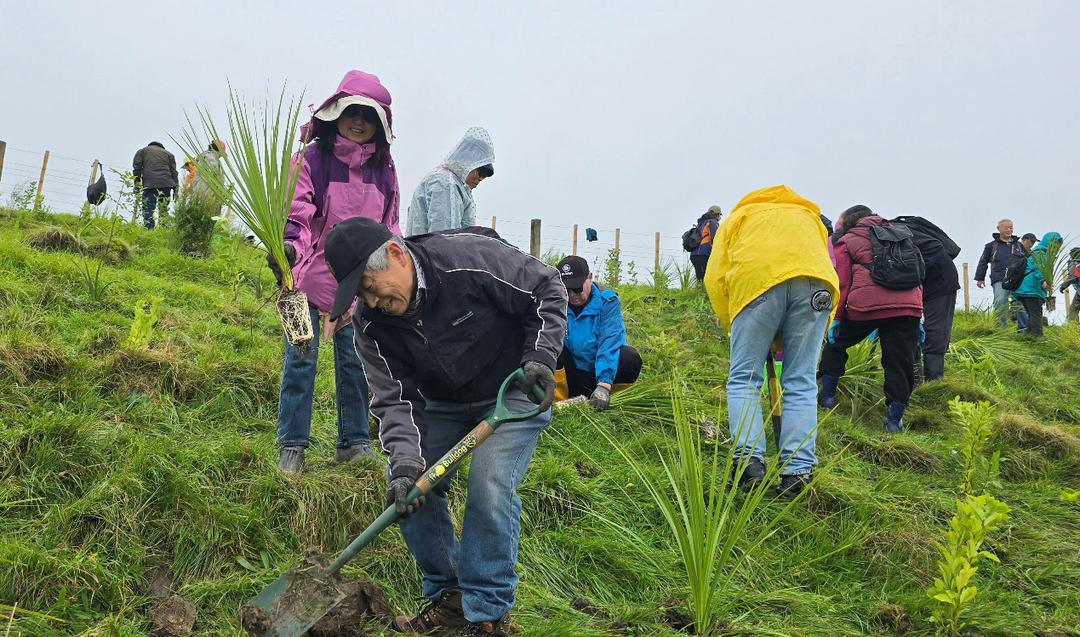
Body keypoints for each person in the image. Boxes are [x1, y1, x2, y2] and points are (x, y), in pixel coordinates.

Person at [323, 217, 566, 636]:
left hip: (515, 388)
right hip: (443, 405)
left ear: (396, 255)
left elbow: (546, 289)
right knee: (406, 489)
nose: (370, 300)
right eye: (360, 294)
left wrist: (541, 357)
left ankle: (487, 612)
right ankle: (450, 596)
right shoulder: (371, 324)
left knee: (489, 483)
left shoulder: (466, 259)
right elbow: (395, 402)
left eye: (369, 285)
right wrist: (404, 465)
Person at [269, 69, 400, 473]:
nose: (358, 121)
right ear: (334, 113)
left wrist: (393, 270)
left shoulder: (384, 169)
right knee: (301, 359)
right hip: (304, 278)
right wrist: (289, 248)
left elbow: (390, 225)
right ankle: (291, 445)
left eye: (368, 115)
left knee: (357, 362)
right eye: (351, 112)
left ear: (379, 125)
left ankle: (355, 442)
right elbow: (299, 210)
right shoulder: (312, 158)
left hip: (359, 286)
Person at [704, 185, 838, 497]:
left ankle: (749, 464)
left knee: (744, 377)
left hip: (757, 285)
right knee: (801, 379)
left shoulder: (742, 215)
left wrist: (734, 322)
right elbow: (823, 262)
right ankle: (798, 473)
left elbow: (715, 276)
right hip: (819, 287)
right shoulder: (809, 217)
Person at [818, 205, 923, 433]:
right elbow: (916, 273)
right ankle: (894, 420)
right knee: (899, 361)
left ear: (848, 221)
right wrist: (918, 314)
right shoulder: (901, 234)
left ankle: (827, 397)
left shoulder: (847, 239)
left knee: (837, 344)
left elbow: (842, 282)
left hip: (865, 305)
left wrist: (837, 318)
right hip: (907, 306)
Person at [553, 255, 642, 410]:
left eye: (577, 288)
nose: (572, 295)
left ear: (590, 277)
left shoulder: (608, 302)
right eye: (566, 289)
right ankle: (558, 404)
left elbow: (610, 342)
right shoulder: (556, 302)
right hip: (572, 375)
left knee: (630, 357)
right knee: (552, 346)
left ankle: (607, 401)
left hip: (598, 376)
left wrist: (604, 385)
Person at [892, 216, 960, 381]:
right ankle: (916, 377)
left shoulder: (895, 232)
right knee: (911, 324)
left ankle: (934, 380)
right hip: (919, 281)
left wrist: (912, 274)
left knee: (936, 327)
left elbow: (934, 248)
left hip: (940, 281)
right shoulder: (891, 232)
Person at [405, 127, 494, 235]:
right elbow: (444, 238)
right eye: (481, 172)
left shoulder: (458, 186)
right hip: (434, 251)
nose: (481, 178)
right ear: (469, 162)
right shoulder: (446, 184)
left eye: (484, 176)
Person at [974, 219, 1028, 328]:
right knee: (1000, 301)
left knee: (1020, 303)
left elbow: (1027, 261)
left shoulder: (1019, 246)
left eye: (1011, 227)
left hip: (1017, 280)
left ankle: (1024, 329)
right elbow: (983, 261)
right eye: (1006, 228)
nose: (1009, 230)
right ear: (999, 229)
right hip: (999, 278)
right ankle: (1001, 329)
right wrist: (980, 278)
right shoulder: (991, 246)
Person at [1015, 232, 1063, 337]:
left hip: (1025, 289)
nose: (1057, 247)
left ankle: (1028, 336)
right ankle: (1038, 337)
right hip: (1031, 289)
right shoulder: (1041, 253)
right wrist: (1043, 281)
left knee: (1032, 314)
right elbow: (1040, 269)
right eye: (1055, 243)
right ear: (1049, 242)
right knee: (1036, 313)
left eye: (1058, 245)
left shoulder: (1038, 252)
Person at [132, 141, 178, 229]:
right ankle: (164, 228)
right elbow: (174, 172)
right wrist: (176, 190)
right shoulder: (169, 154)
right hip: (166, 184)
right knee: (163, 207)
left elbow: (137, 169)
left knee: (148, 208)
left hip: (150, 184)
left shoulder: (142, 151)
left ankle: (149, 229)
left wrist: (137, 185)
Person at [687, 205, 722, 282]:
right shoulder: (713, 222)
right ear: (718, 214)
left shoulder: (700, 223)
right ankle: (704, 293)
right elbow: (715, 238)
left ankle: (699, 293)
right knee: (708, 278)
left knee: (700, 279)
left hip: (694, 255)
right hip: (704, 254)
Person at [1060, 247, 1080, 323]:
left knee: (1074, 309)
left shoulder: (1076, 263)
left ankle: (1073, 326)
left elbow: (1072, 278)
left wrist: (1063, 286)